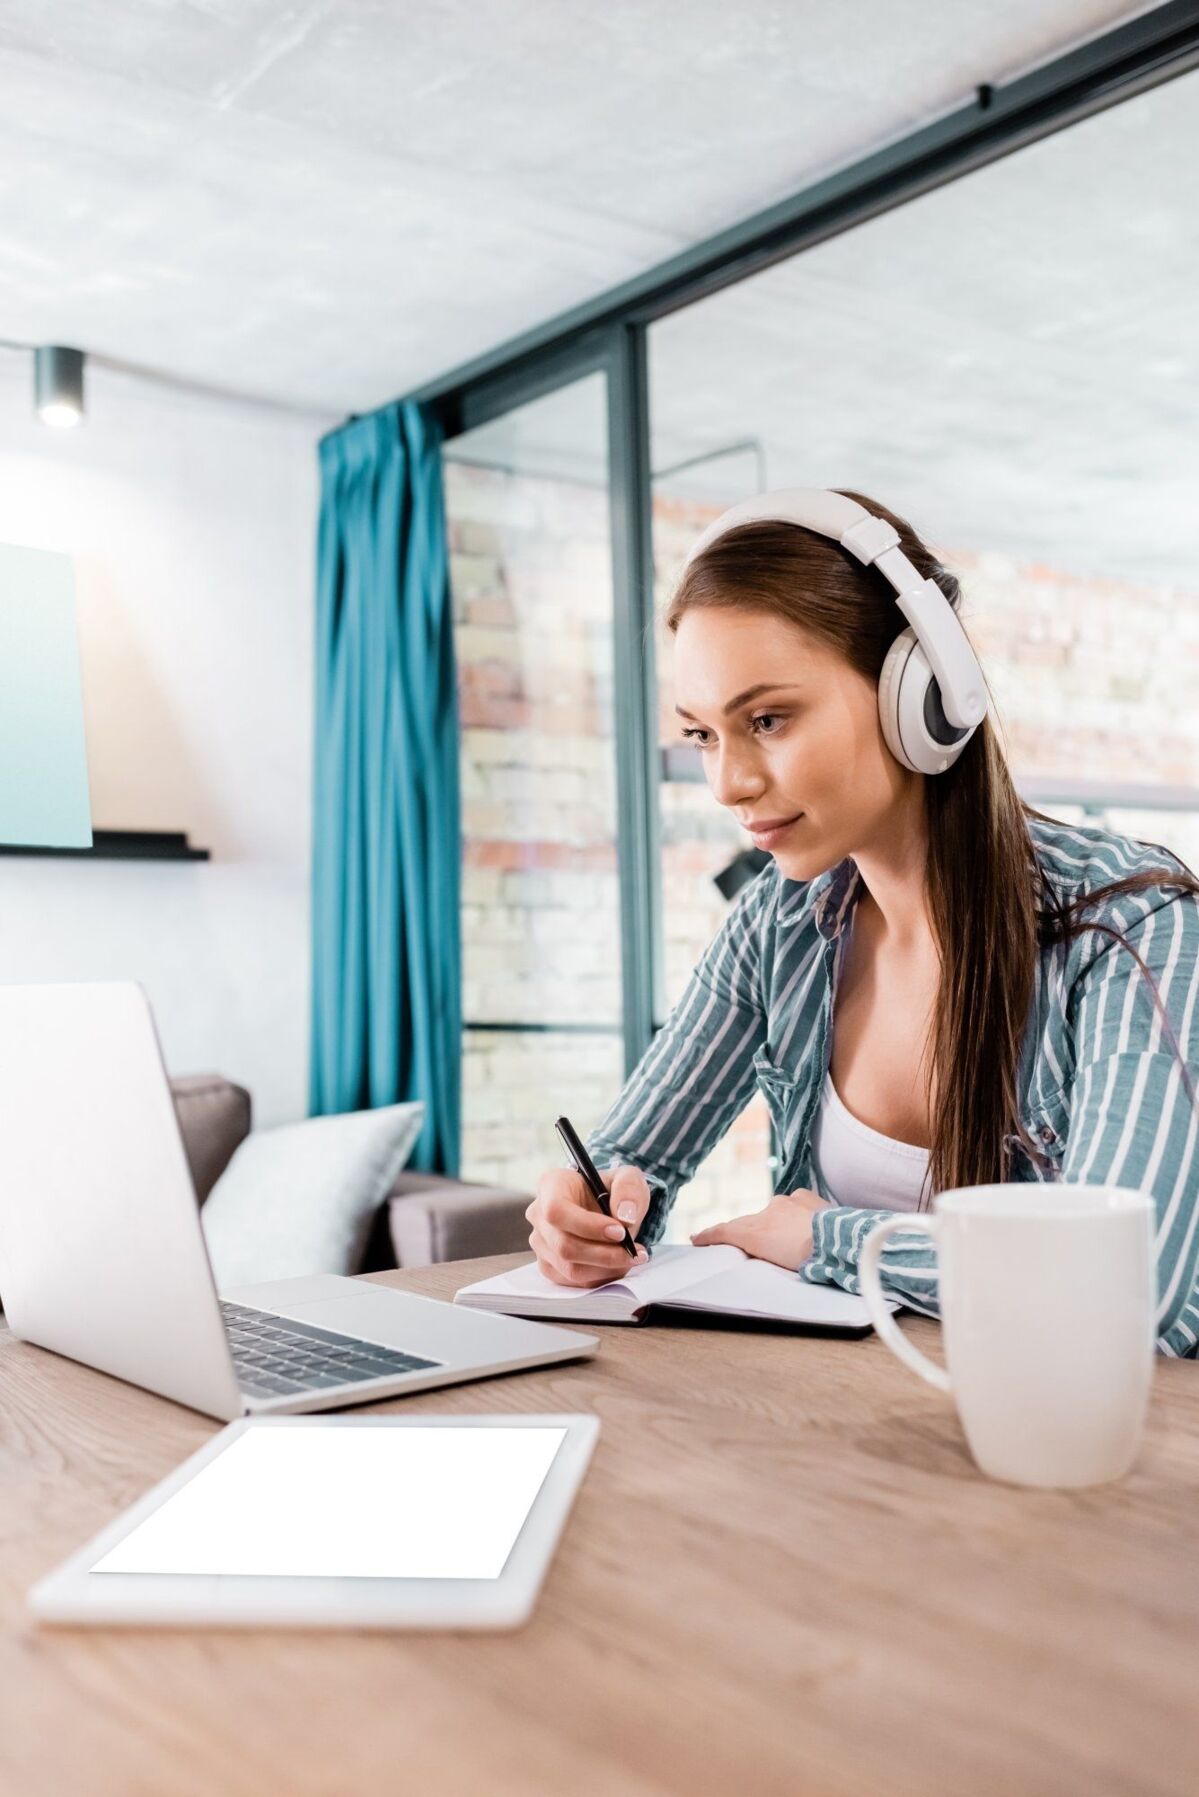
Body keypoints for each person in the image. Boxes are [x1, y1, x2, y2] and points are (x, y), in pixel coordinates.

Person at [524, 488, 1199, 1356]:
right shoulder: (778, 924)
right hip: (848, 1431)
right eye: (701, 735)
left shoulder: (1128, 925)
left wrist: (827, 1238)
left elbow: (1125, 1282)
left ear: (922, 697)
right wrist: (583, 1213)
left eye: (766, 719)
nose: (725, 783)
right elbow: (628, 1162)